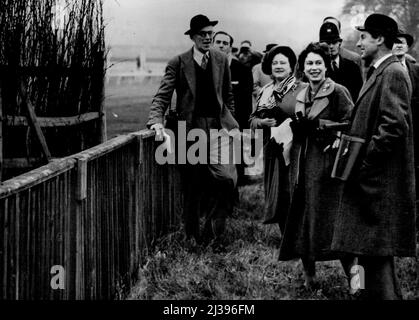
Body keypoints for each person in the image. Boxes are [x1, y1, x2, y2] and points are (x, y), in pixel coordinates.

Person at [331, 13, 416, 300]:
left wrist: (364, 164)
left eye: (364, 37)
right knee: (360, 250)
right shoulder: (379, 70)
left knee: (374, 259)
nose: (358, 43)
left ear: (380, 39)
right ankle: (358, 293)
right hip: (369, 184)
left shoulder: (392, 72)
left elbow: (393, 126)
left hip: (377, 186)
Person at [147, 14, 239, 246]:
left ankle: (212, 230)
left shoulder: (220, 59)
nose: (208, 38)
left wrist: (230, 122)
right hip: (190, 130)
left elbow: (227, 95)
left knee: (227, 179)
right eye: (203, 34)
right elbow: (162, 96)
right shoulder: (178, 63)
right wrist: (156, 121)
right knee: (193, 185)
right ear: (193, 37)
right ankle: (192, 237)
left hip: (218, 128)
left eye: (210, 34)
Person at [278, 42, 355, 289]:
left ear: (326, 67)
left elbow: (352, 123)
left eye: (318, 63)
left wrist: (323, 127)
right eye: (309, 63)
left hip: (329, 169)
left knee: (341, 230)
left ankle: (357, 283)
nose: (314, 68)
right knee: (304, 225)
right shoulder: (300, 95)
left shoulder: (338, 91)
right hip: (302, 169)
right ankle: (309, 280)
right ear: (303, 68)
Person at [249, 46, 307, 239]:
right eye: (275, 63)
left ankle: (299, 237)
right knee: (278, 195)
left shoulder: (303, 89)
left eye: (283, 62)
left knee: (295, 191)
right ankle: (286, 238)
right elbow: (252, 120)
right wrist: (261, 122)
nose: (279, 66)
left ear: (291, 67)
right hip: (273, 149)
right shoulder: (265, 91)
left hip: (296, 149)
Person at [213, 31, 253, 185]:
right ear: (212, 44)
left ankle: (236, 192)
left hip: (236, 121)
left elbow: (246, 101)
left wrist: (243, 126)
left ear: (230, 47)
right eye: (218, 42)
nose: (221, 45)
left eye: (225, 43)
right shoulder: (206, 67)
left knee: (236, 163)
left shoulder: (242, 69)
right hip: (213, 124)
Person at [393, 30, 419, 208]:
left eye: (402, 42)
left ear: (407, 46)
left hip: (415, 130)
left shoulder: (416, 70)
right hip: (395, 129)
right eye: (395, 42)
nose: (399, 45)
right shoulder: (385, 70)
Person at [319, 22, 363, 102]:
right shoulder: (318, 70)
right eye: (328, 43)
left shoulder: (352, 67)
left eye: (334, 42)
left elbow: (358, 95)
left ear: (340, 42)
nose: (331, 46)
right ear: (321, 45)